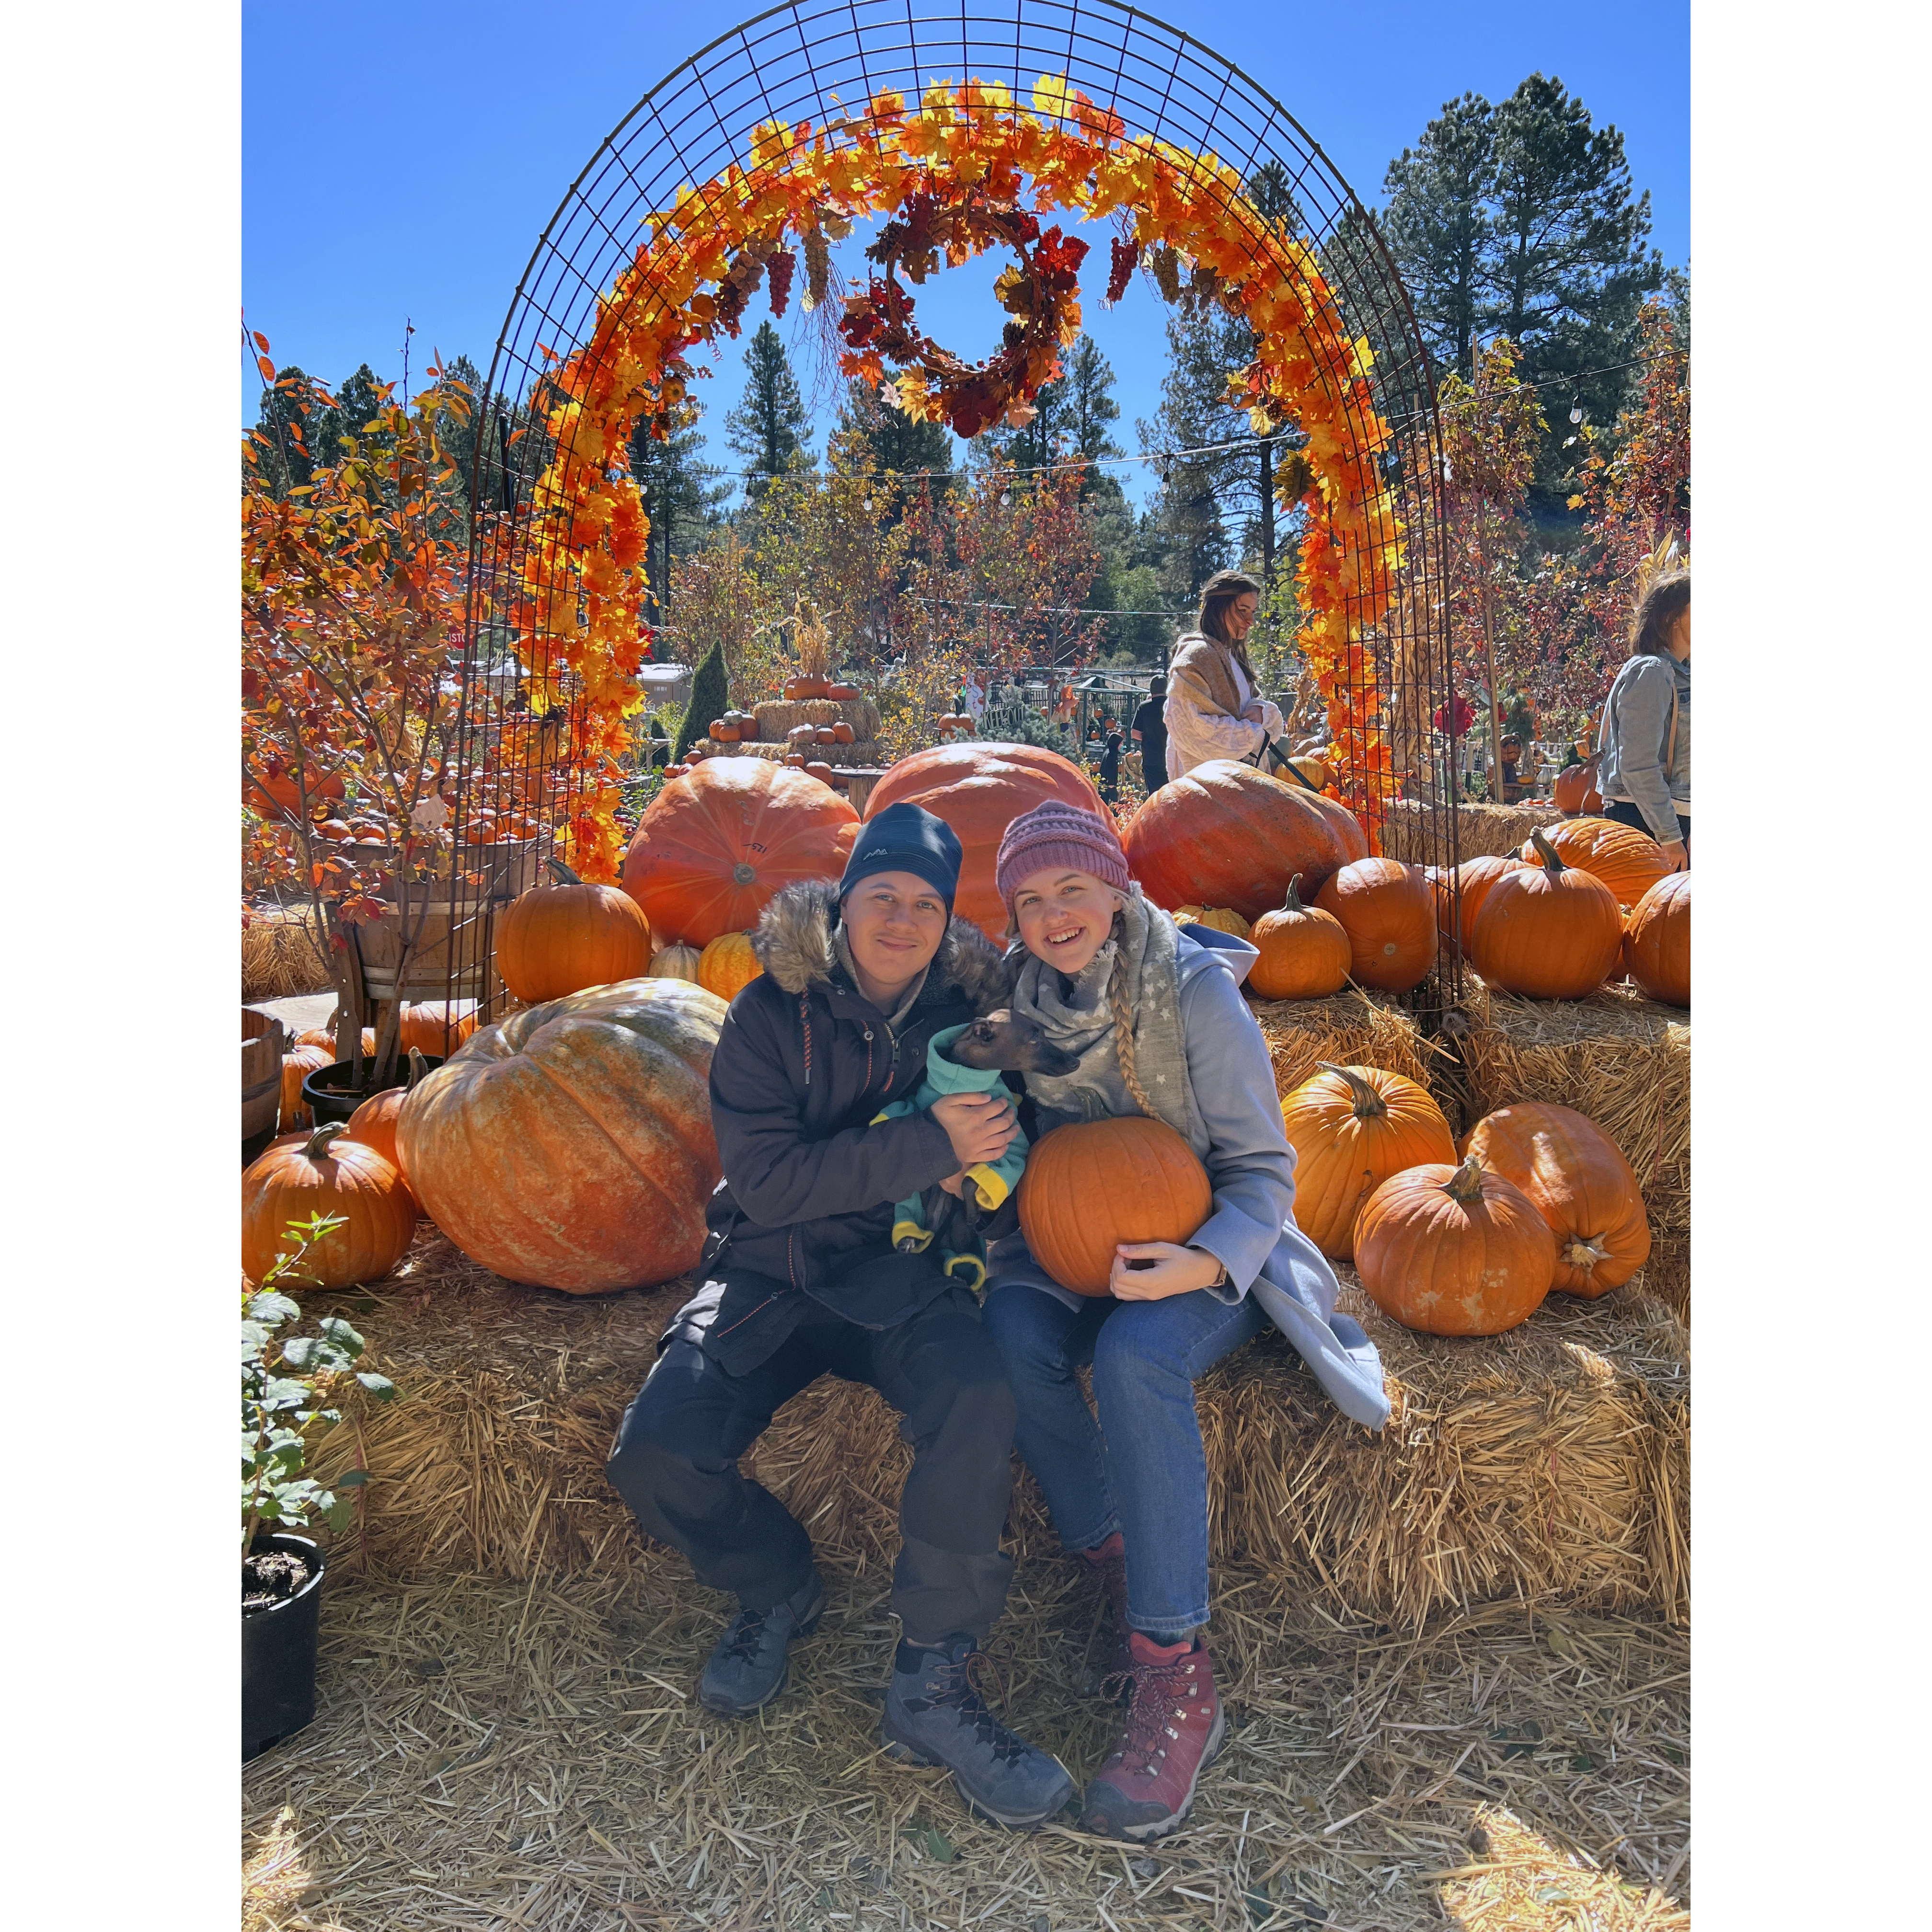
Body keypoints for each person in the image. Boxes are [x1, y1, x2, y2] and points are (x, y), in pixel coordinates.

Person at [604, 803, 1076, 1828]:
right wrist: (927, 1149)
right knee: (657, 1452)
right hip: (769, 1272)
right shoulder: (774, 1010)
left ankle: (932, 1679)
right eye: (882, 896)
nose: (900, 919)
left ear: (947, 921)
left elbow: (1013, 1132)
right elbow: (767, 1185)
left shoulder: (970, 1015)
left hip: (903, 1275)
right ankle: (776, 1586)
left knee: (977, 1392)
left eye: (923, 903)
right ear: (845, 902)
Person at [979, 803, 1389, 1842]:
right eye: (1030, 901)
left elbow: (1266, 1172)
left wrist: (1201, 1259)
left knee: (1132, 1359)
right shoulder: (1016, 1004)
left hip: (1208, 1245)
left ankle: (1173, 1670)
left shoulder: (1195, 995)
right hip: (1071, 1240)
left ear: (1116, 888)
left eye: (1072, 889)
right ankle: (1113, 1553)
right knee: (1010, 1340)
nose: (1054, 915)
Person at [1597, 567, 1690, 865]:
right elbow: (1637, 765)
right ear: (1672, 617)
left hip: (1666, 819)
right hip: (1647, 821)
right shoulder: (1652, 672)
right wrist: (1671, 837)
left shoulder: (1680, 674)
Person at [1163, 571, 1285, 780]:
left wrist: (1262, 711)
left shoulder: (1235, 656)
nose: (1251, 621)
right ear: (1218, 608)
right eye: (1242, 610)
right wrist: (1254, 734)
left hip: (1242, 782)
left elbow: (1258, 709)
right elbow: (1192, 729)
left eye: (1253, 612)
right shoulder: (1195, 657)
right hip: (1204, 787)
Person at [1130, 674, 1169, 792]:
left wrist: (1150, 737)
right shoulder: (1173, 706)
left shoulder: (1144, 707)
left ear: (1151, 689)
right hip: (1172, 755)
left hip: (1152, 758)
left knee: (1154, 794)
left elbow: (1135, 734)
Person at [1097, 726, 1123, 805]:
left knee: (1104, 805)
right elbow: (1111, 769)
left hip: (1104, 784)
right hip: (1109, 785)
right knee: (1115, 806)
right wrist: (1111, 784)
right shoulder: (1112, 755)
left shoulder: (1108, 752)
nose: (1122, 745)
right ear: (1116, 743)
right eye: (1121, 743)